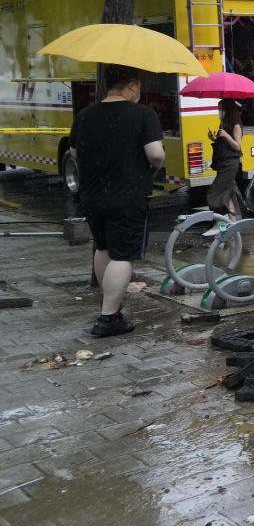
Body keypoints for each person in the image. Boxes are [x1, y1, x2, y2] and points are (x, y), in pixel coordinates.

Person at [68, 64, 165, 337]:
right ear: (132, 84)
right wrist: (153, 166)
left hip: (92, 194)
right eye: (139, 85)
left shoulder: (85, 115)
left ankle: (111, 308)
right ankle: (108, 318)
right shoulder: (143, 115)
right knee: (124, 255)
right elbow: (155, 154)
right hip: (128, 194)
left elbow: (74, 151)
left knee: (103, 248)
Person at [205, 97, 244, 235]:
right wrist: (215, 138)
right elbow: (225, 144)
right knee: (228, 194)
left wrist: (226, 135)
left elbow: (237, 146)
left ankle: (220, 222)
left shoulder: (236, 126)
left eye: (220, 108)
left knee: (215, 193)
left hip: (230, 164)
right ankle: (232, 224)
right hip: (223, 163)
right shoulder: (224, 123)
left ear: (228, 109)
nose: (219, 111)